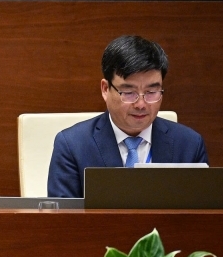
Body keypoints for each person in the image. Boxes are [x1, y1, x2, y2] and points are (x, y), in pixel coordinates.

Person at [47, 35, 208, 198]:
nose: (141, 104)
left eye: (151, 92)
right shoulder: (72, 146)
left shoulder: (189, 145)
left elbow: (201, 211)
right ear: (105, 89)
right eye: (129, 92)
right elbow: (64, 213)